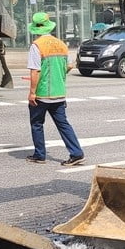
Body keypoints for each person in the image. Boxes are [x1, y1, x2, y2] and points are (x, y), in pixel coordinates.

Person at [26, 12, 85, 166]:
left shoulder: (36, 45)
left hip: (42, 94)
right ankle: (76, 153)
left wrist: (32, 92)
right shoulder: (61, 44)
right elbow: (70, 65)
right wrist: (58, 75)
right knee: (63, 124)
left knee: (37, 123)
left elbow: (35, 71)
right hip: (59, 94)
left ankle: (40, 155)